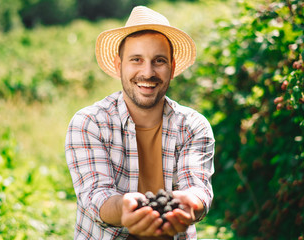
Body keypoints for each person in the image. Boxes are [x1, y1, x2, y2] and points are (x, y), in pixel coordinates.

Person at [65, 6, 215, 240]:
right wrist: (125, 209)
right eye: (136, 60)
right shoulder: (89, 123)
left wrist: (190, 203)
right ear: (118, 65)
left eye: (159, 61)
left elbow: (197, 187)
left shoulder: (193, 126)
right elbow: (95, 195)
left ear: (172, 68)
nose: (148, 72)